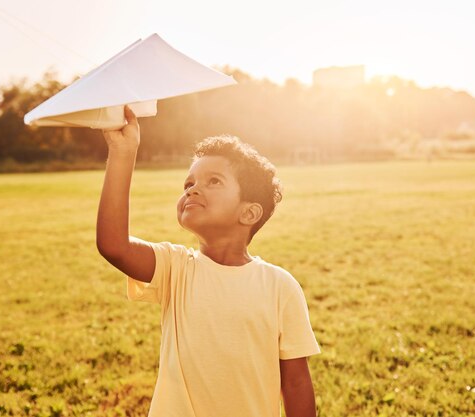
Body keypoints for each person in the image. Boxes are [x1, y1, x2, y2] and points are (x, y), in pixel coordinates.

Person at [96, 106, 321, 417]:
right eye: (188, 184)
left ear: (249, 213)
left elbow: (295, 382)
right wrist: (123, 152)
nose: (193, 189)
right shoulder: (176, 267)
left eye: (213, 181)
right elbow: (114, 245)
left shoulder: (280, 286)